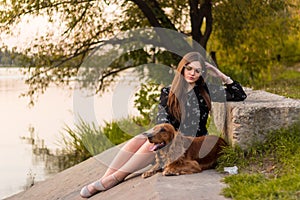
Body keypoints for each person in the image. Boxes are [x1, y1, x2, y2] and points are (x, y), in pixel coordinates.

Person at [80, 52, 247, 198]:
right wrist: (165, 135)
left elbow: (239, 94)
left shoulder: (205, 91)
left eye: (198, 70)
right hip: (170, 137)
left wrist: (219, 74)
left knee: (150, 141)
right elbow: (162, 119)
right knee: (141, 138)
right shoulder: (168, 92)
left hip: (191, 141)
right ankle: (106, 178)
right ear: (182, 68)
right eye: (189, 68)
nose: (192, 73)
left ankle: (115, 179)